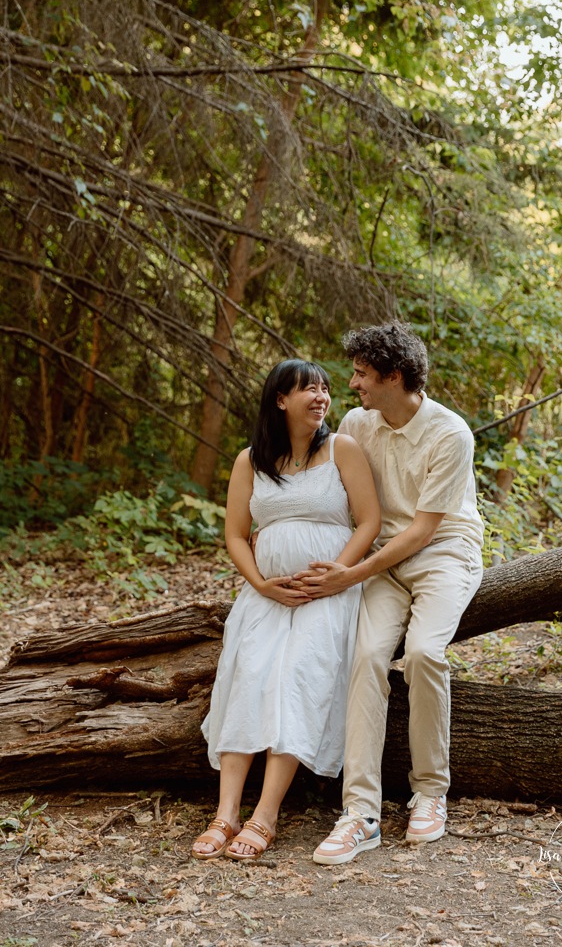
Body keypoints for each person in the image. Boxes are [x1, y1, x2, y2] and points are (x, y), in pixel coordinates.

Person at [301, 321, 484, 865]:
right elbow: (336, 495)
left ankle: (430, 793)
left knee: (424, 652)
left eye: (361, 374)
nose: (352, 384)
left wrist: (349, 574)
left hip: (443, 552)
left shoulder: (451, 433)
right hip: (382, 561)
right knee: (365, 658)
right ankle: (360, 812)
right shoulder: (357, 424)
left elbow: (424, 531)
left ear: (395, 376)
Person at [192, 359, 381, 861]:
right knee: (249, 674)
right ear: (281, 400)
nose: (321, 397)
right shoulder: (250, 460)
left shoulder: (342, 448)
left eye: (325, 389)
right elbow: (235, 535)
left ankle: (266, 814)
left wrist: (336, 573)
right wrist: (261, 584)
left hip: (330, 593)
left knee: (300, 674)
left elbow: (369, 521)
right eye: (308, 389)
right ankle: (226, 813)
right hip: (267, 594)